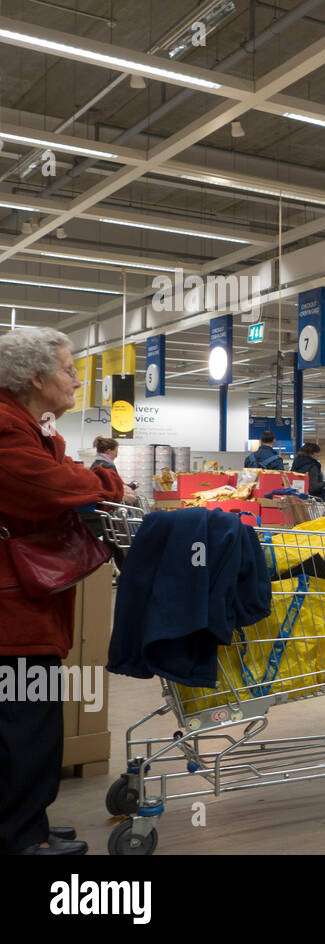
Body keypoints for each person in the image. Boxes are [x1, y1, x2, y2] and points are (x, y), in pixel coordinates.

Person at [0, 327, 124, 854]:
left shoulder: (30, 424)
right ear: (37, 376)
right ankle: (19, 838)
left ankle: (28, 820)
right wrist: (108, 479)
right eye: (70, 370)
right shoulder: (6, 429)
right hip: (12, 609)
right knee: (24, 725)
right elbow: (57, 487)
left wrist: (88, 475)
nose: (77, 380)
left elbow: (62, 471)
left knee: (32, 719)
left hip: (27, 600)